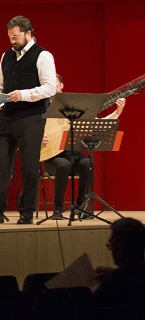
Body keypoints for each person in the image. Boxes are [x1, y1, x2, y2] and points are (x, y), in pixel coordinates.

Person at [0, 16, 57, 225]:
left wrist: (23, 94)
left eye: (16, 37)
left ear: (28, 34)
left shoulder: (42, 56)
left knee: (30, 168)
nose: (12, 41)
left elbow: (49, 88)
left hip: (31, 117)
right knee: (1, 166)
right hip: (7, 116)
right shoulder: (6, 55)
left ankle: (26, 212)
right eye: (10, 37)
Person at [42, 74, 126, 219]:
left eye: (54, 83)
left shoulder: (75, 107)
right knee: (63, 164)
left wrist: (117, 112)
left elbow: (97, 124)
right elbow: (31, 129)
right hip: (52, 156)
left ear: (62, 85)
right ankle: (58, 210)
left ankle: (81, 207)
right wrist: (38, 138)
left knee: (87, 162)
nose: (52, 86)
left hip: (73, 154)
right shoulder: (40, 107)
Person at [93, 217, 145, 311]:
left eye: (112, 244)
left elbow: (92, 305)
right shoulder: (139, 274)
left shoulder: (115, 281)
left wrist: (113, 276)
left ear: (120, 248)